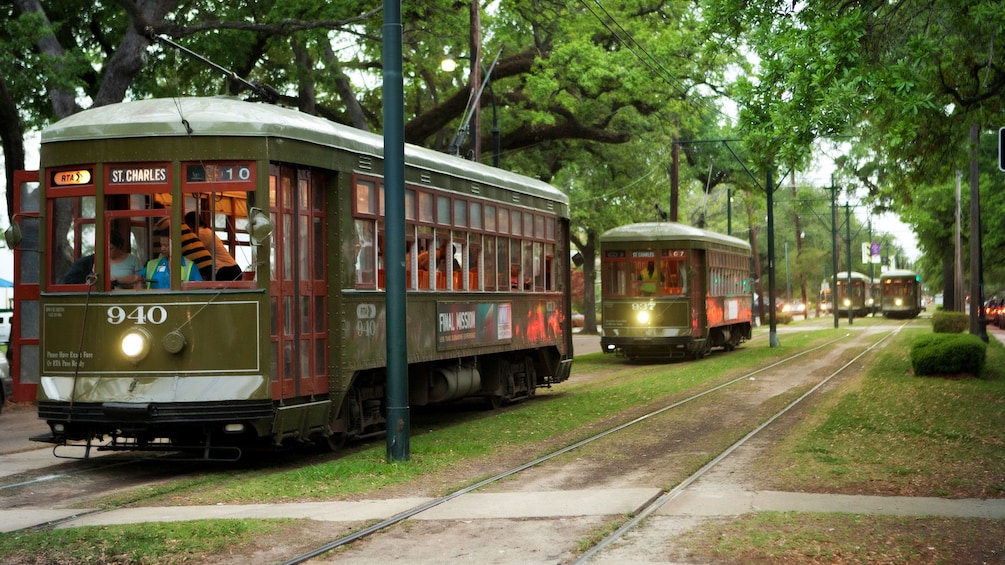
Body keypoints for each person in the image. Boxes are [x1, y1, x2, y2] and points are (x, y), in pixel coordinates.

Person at [185, 212, 242, 281]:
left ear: (190, 224)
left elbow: (191, 251)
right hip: (231, 268)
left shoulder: (201, 234)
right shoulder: (207, 231)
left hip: (225, 270)